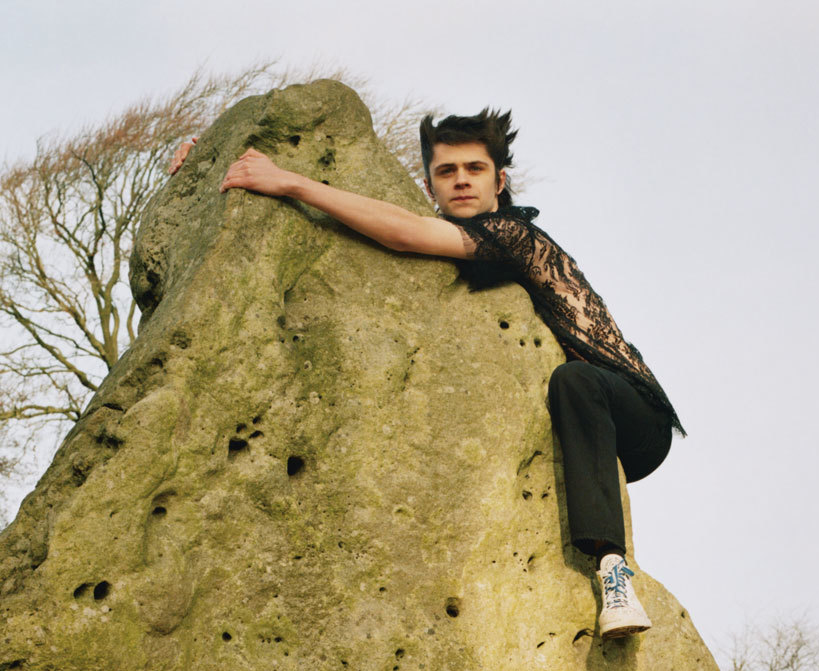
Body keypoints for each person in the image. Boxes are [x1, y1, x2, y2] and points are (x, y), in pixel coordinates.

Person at [170, 108, 680, 638]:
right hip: (576, 432)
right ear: (429, 185)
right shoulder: (458, 234)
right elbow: (368, 214)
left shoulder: (514, 235)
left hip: (632, 415)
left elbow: (403, 232)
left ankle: (612, 572)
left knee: (574, 380)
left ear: (500, 181)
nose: (461, 180)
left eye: (475, 169)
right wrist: (211, 169)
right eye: (446, 171)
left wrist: (289, 182)